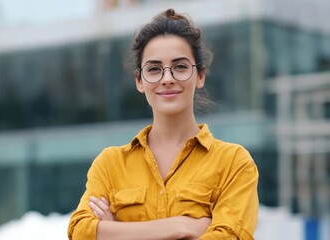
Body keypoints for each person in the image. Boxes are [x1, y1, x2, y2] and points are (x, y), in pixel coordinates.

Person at [67, 8, 259, 240]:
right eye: (154, 69)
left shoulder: (234, 164)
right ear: (140, 81)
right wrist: (180, 226)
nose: (167, 79)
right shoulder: (110, 165)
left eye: (179, 66)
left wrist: (116, 232)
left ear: (200, 76)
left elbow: (230, 237)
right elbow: (80, 232)